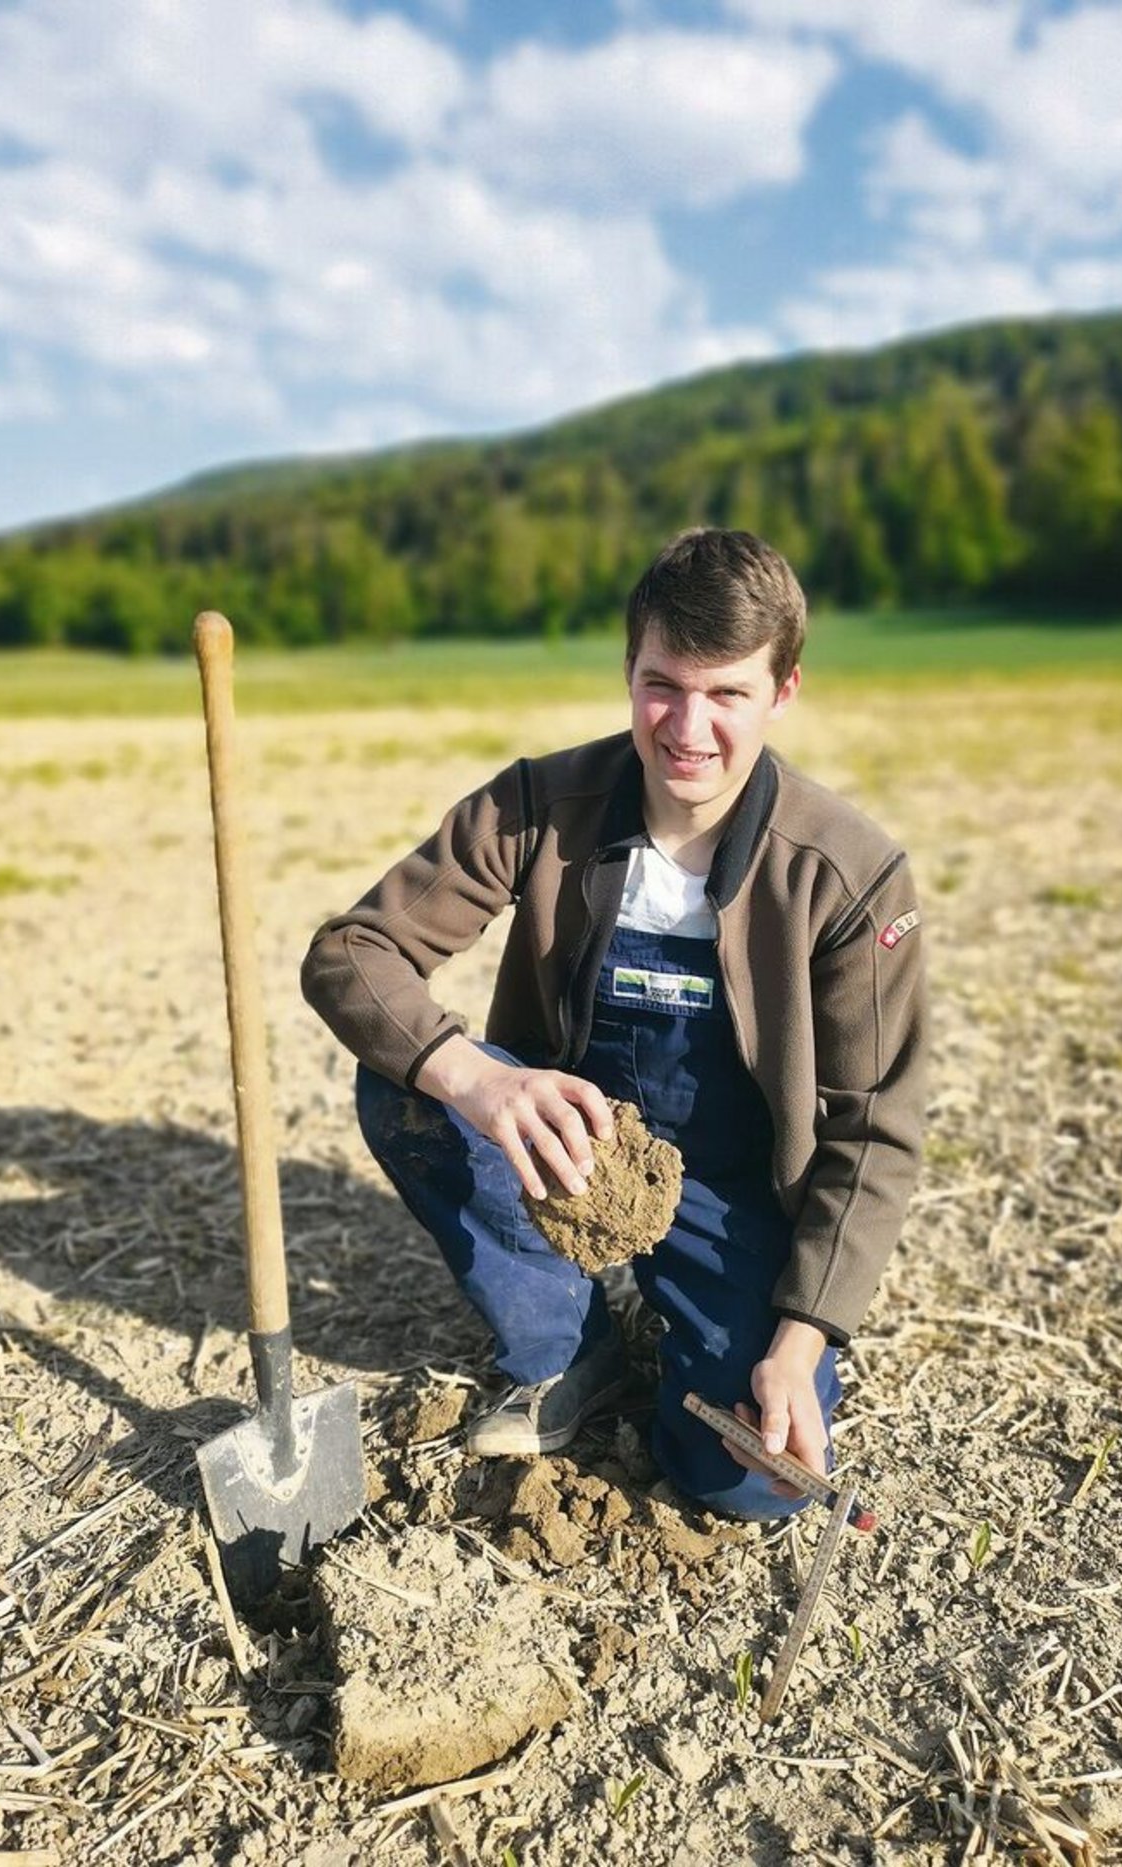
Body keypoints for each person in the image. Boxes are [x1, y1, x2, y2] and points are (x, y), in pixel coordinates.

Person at [302, 528, 927, 1520]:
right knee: (403, 1083)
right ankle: (563, 1345)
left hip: (729, 1185)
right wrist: (477, 1077)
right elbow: (351, 956)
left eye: (726, 693)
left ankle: (701, 1335)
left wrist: (800, 1338)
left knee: (743, 1482)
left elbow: (874, 1132)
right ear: (628, 669)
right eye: (661, 684)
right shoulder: (539, 804)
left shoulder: (846, 874)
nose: (686, 726)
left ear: (783, 690)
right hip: (569, 1150)